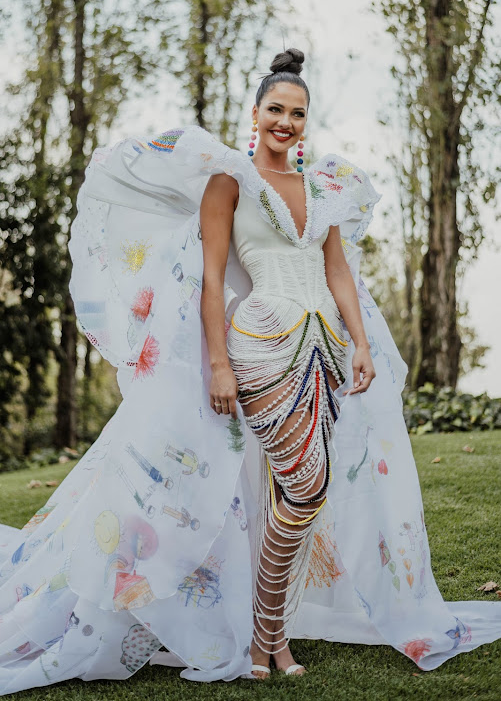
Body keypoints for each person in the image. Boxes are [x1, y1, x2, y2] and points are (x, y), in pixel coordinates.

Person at [0, 48, 500, 694]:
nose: (286, 122)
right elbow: (211, 281)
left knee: (288, 495)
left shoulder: (319, 187)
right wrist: (216, 364)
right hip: (260, 343)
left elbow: (337, 271)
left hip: (322, 348)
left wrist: (362, 345)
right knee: (308, 487)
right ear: (256, 113)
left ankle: (272, 634)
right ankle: (268, 631)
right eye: (275, 110)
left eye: (296, 113)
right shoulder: (228, 183)